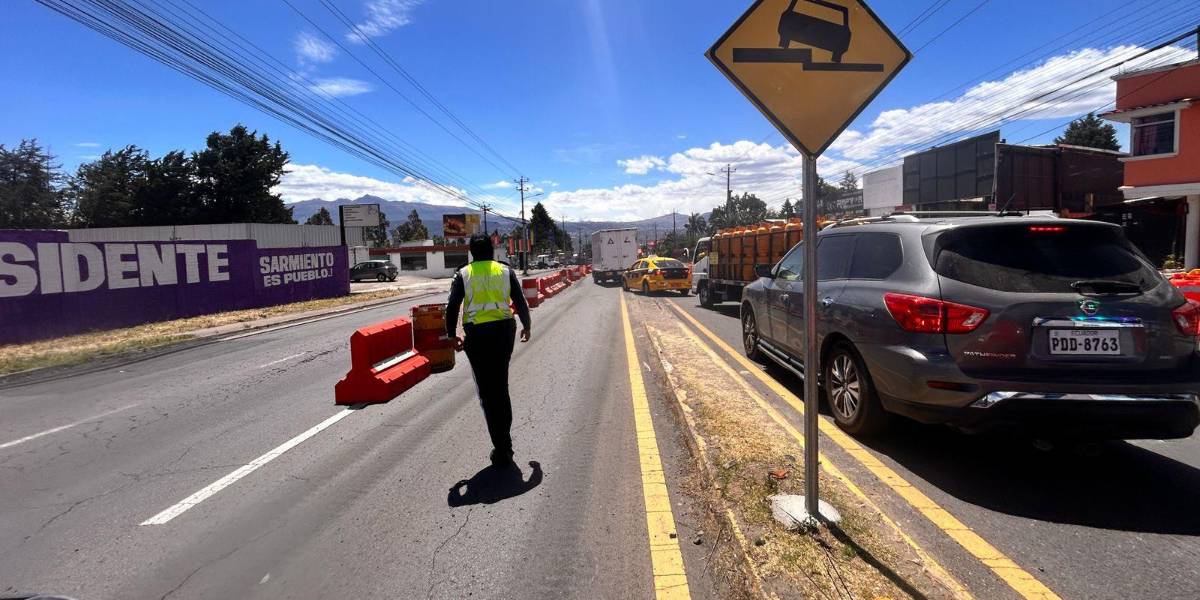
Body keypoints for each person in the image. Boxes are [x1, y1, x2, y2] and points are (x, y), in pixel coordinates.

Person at [445, 233, 532, 467]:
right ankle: (505, 445)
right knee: (500, 387)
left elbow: (452, 307)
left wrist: (451, 335)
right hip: (504, 332)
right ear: (492, 250)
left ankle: (502, 448)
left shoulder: (463, 274)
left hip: (477, 336)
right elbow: (520, 301)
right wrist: (527, 325)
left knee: (487, 392)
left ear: (471, 252)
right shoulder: (505, 271)